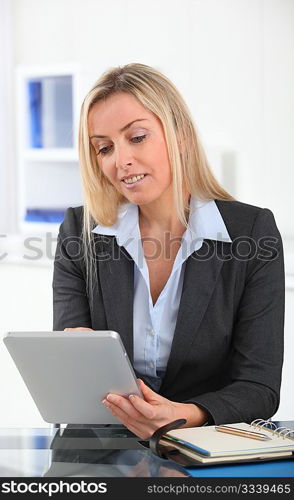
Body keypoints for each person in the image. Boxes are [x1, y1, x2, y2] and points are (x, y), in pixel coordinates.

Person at [52, 63, 285, 440]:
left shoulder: (252, 233)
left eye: (138, 137)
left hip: (207, 444)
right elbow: (73, 373)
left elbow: (259, 388)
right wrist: (74, 355)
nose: (120, 160)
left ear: (179, 135)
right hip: (103, 447)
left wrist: (186, 415)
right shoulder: (80, 233)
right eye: (104, 148)